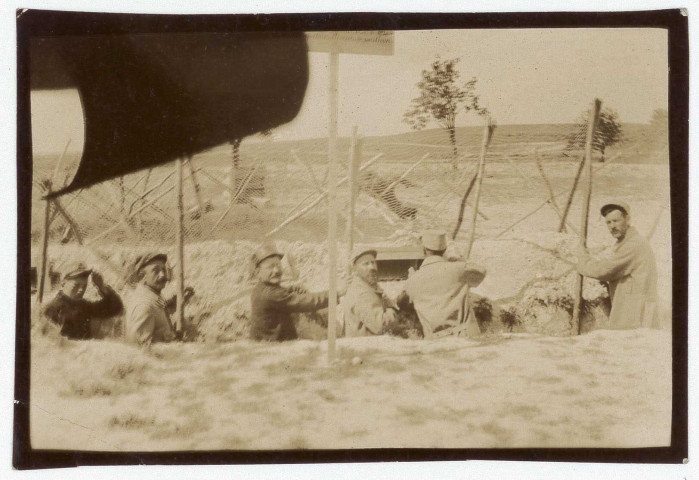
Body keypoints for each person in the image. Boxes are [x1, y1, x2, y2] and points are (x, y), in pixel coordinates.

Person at [576, 201, 658, 329]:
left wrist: (583, 259)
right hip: (633, 310)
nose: (612, 226)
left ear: (627, 219)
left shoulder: (633, 244)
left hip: (635, 315)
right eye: (608, 222)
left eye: (616, 221)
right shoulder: (626, 243)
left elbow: (605, 271)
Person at [396, 230, 486, 339]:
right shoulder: (459, 269)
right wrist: (458, 260)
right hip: (467, 337)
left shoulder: (413, 280)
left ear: (424, 250)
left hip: (437, 342)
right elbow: (481, 272)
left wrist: (410, 282)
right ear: (445, 250)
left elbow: (400, 303)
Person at [249, 242, 343, 342]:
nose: (276, 270)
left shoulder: (261, 288)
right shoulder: (270, 294)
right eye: (270, 267)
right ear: (258, 271)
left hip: (267, 342)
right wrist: (336, 293)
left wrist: (291, 289)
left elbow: (278, 294)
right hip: (275, 347)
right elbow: (304, 301)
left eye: (278, 265)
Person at [124, 253, 194, 346]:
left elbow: (160, 310)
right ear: (142, 276)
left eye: (163, 270)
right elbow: (141, 350)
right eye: (156, 271)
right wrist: (177, 346)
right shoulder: (144, 306)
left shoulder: (152, 295)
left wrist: (178, 300)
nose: (162, 275)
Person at [42, 261, 123, 340]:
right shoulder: (51, 309)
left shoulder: (83, 306)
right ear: (63, 283)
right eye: (76, 285)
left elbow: (115, 308)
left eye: (84, 286)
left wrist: (102, 286)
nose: (81, 290)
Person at [340, 247, 398, 337]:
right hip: (366, 348)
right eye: (365, 264)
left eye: (373, 262)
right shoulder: (361, 292)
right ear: (355, 269)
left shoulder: (367, 285)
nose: (372, 267)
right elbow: (380, 326)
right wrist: (391, 309)